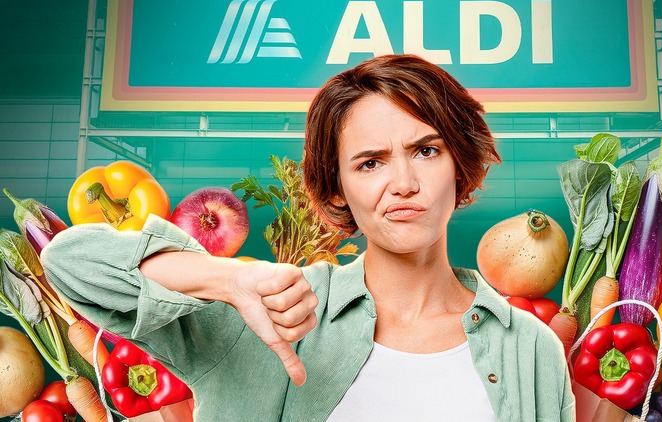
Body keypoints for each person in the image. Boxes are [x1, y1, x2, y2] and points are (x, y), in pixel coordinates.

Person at [41, 54, 575, 421]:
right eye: (370, 163)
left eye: (428, 151)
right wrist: (231, 279)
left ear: (460, 164)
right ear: (337, 188)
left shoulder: (530, 349)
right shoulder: (273, 312)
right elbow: (70, 262)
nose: (405, 184)